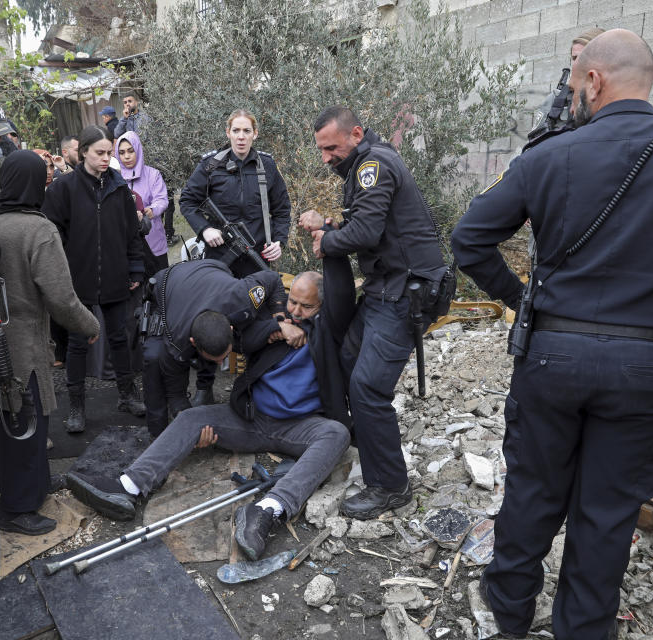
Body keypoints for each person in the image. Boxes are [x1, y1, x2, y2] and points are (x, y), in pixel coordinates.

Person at [451, 29, 653, 640]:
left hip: (552, 359)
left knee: (531, 493)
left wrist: (518, 299)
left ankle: (507, 614)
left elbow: (469, 240)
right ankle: (582, 628)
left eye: (577, 80)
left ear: (595, 81)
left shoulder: (548, 156)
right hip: (649, 365)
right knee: (607, 512)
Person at [68, 260, 356, 560]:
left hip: (300, 426)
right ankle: (128, 487)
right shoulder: (274, 323)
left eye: (306, 307)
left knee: (336, 434)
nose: (296, 312)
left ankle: (267, 511)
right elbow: (246, 336)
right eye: (292, 302)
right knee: (193, 418)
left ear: (322, 306)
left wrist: (331, 240)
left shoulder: (331, 331)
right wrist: (277, 326)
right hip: (252, 419)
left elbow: (343, 299)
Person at [298, 107, 446, 520]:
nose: (326, 158)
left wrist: (327, 240)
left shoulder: (374, 165)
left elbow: (364, 234)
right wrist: (329, 224)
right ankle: (371, 446)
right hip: (386, 289)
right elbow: (368, 222)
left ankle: (390, 486)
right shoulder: (365, 163)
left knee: (368, 388)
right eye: (321, 150)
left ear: (356, 133)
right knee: (346, 357)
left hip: (404, 295)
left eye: (331, 148)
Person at [0, 151, 101, 535]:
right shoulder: (38, 230)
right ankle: (19, 507)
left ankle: (6, 490)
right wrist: (88, 324)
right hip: (24, 344)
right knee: (28, 426)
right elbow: (60, 297)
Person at [180, 108, 291, 406]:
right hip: (219, 258)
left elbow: (282, 209)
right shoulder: (211, 165)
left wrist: (279, 241)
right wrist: (204, 230)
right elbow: (187, 201)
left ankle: (255, 382)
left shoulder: (266, 166)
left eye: (246, 131)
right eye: (236, 131)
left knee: (259, 318)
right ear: (227, 133)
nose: (241, 137)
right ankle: (204, 386)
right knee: (210, 316)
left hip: (255, 256)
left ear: (255, 134)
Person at [43, 124, 147, 432]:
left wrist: (135, 268)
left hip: (115, 276)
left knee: (119, 337)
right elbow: (52, 233)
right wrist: (65, 268)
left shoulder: (118, 189)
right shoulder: (63, 188)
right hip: (79, 279)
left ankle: (127, 395)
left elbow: (131, 235)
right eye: (99, 153)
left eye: (109, 153)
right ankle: (76, 406)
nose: (106, 159)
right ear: (84, 151)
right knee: (78, 343)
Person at [135, 259, 301, 438]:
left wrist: (280, 321)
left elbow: (272, 278)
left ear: (231, 328)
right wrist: (190, 425)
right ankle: (156, 435)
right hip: (166, 287)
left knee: (265, 328)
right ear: (193, 342)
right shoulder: (176, 343)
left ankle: (255, 394)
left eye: (224, 357)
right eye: (217, 361)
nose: (223, 363)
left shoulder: (242, 297)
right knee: (154, 358)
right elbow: (176, 396)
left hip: (211, 269)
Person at [528, 28, 604, 139]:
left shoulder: (614, 97)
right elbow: (533, 144)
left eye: (582, 56)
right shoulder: (557, 99)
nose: (577, 63)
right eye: (574, 58)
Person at [117, 131, 170, 273]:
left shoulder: (153, 174)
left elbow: (162, 200)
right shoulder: (115, 179)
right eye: (121, 153)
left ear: (138, 150)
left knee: (160, 286)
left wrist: (151, 210)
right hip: (127, 248)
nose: (126, 156)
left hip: (153, 241)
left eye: (130, 151)